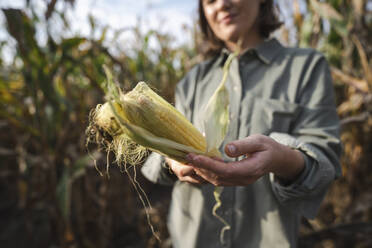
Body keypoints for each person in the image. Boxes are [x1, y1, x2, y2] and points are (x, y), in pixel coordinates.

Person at [141, 0, 342, 247]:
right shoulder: (192, 80)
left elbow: (325, 162)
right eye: (210, 1)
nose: (222, 4)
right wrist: (172, 160)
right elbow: (154, 159)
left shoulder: (307, 67)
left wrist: (282, 158)